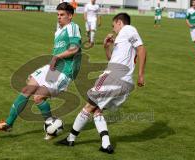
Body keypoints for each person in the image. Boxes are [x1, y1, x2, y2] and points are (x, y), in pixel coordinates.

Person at [57, 12, 146, 154]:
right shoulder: (122, 40)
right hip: (124, 82)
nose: (113, 29)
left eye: (113, 26)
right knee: (97, 109)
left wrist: (141, 74)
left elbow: (142, 49)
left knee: (89, 105)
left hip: (114, 76)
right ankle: (105, 144)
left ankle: (71, 138)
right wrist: (106, 47)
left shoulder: (128, 29)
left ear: (119, 22)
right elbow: (112, 60)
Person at [0, 2, 82, 140]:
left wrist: (57, 57)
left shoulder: (73, 27)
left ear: (70, 16)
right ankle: (8, 123)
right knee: (27, 89)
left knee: (38, 97)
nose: (59, 17)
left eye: (62, 15)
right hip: (54, 68)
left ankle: (51, 125)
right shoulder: (59, 30)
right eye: (57, 14)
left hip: (65, 71)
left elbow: (74, 48)